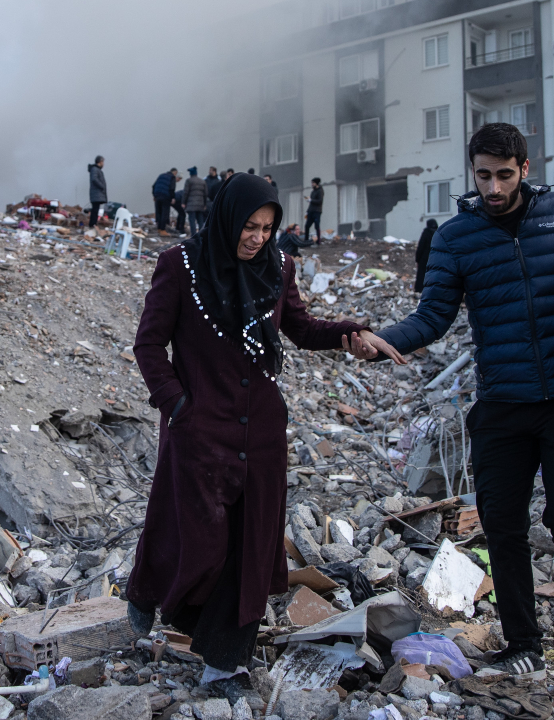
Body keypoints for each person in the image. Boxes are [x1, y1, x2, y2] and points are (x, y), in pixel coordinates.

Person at [346, 123, 554, 680]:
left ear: (525, 169)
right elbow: (432, 315)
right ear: (473, 171)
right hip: (503, 404)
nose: (493, 187)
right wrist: (382, 342)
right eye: (483, 175)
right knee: (503, 523)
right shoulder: (455, 237)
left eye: (504, 175)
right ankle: (524, 641)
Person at [128, 173, 395, 699]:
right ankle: (151, 589)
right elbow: (149, 345)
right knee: (199, 537)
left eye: (268, 228)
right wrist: (179, 406)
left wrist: (349, 335)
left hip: (263, 434)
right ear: (228, 218)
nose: (257, 238)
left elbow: (299, 327)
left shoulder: (279, 266)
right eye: (249, 226)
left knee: (248, 547)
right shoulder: (180, 266)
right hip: (201, 431)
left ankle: (225, 662)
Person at [413, 219, 439, 292]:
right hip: (435, 258)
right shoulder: (438, 233)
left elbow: (421, 246)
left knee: (422, 275)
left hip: (424, 258)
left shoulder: (426, 233)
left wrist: (417, 259)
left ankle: (420, 289)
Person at [183, 167, 208, 237]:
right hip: (200, 204)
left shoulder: (189, 181)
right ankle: (201, 235)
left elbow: (185, 192)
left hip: (191, 205)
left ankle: (194, 236)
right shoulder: (202, 181)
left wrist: (183, 202)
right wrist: (204, 204)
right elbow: (205, 194)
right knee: (200, 220)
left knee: (192, 221)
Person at [152, 167, 177, 232]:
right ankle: (163, 230)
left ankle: (159, 228)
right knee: (164, 213)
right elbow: (172, 188)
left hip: (157, 195)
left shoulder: (161, 175)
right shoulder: (172, 177)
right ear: (174, 173)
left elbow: (154, 186)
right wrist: (172, 198)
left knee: (158, 212)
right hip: (165, 196)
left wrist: (154, 195)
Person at [88, 156, 107, 228]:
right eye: (103, 162)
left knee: (96, 209)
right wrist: (101, 186)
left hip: (97, 194)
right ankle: (92, 224)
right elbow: (94, 179)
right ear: (100, 162)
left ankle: (93, 223)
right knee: (95, 210)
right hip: (96, 194)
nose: (103, 164)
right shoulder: (95, 169)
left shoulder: (96, 170)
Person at [303, 178, 323, 244]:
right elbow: (311, 204)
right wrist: (307, 211)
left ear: (316, 183)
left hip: (317, 211)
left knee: (317, 226)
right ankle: (306, 240)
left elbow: (320, 201)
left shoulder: (320, 191)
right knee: (307, 225)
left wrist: (311, 200)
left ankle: (318, 241)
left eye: (313, 183)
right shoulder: (313, 192)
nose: (312, 184)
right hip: (311, 211)